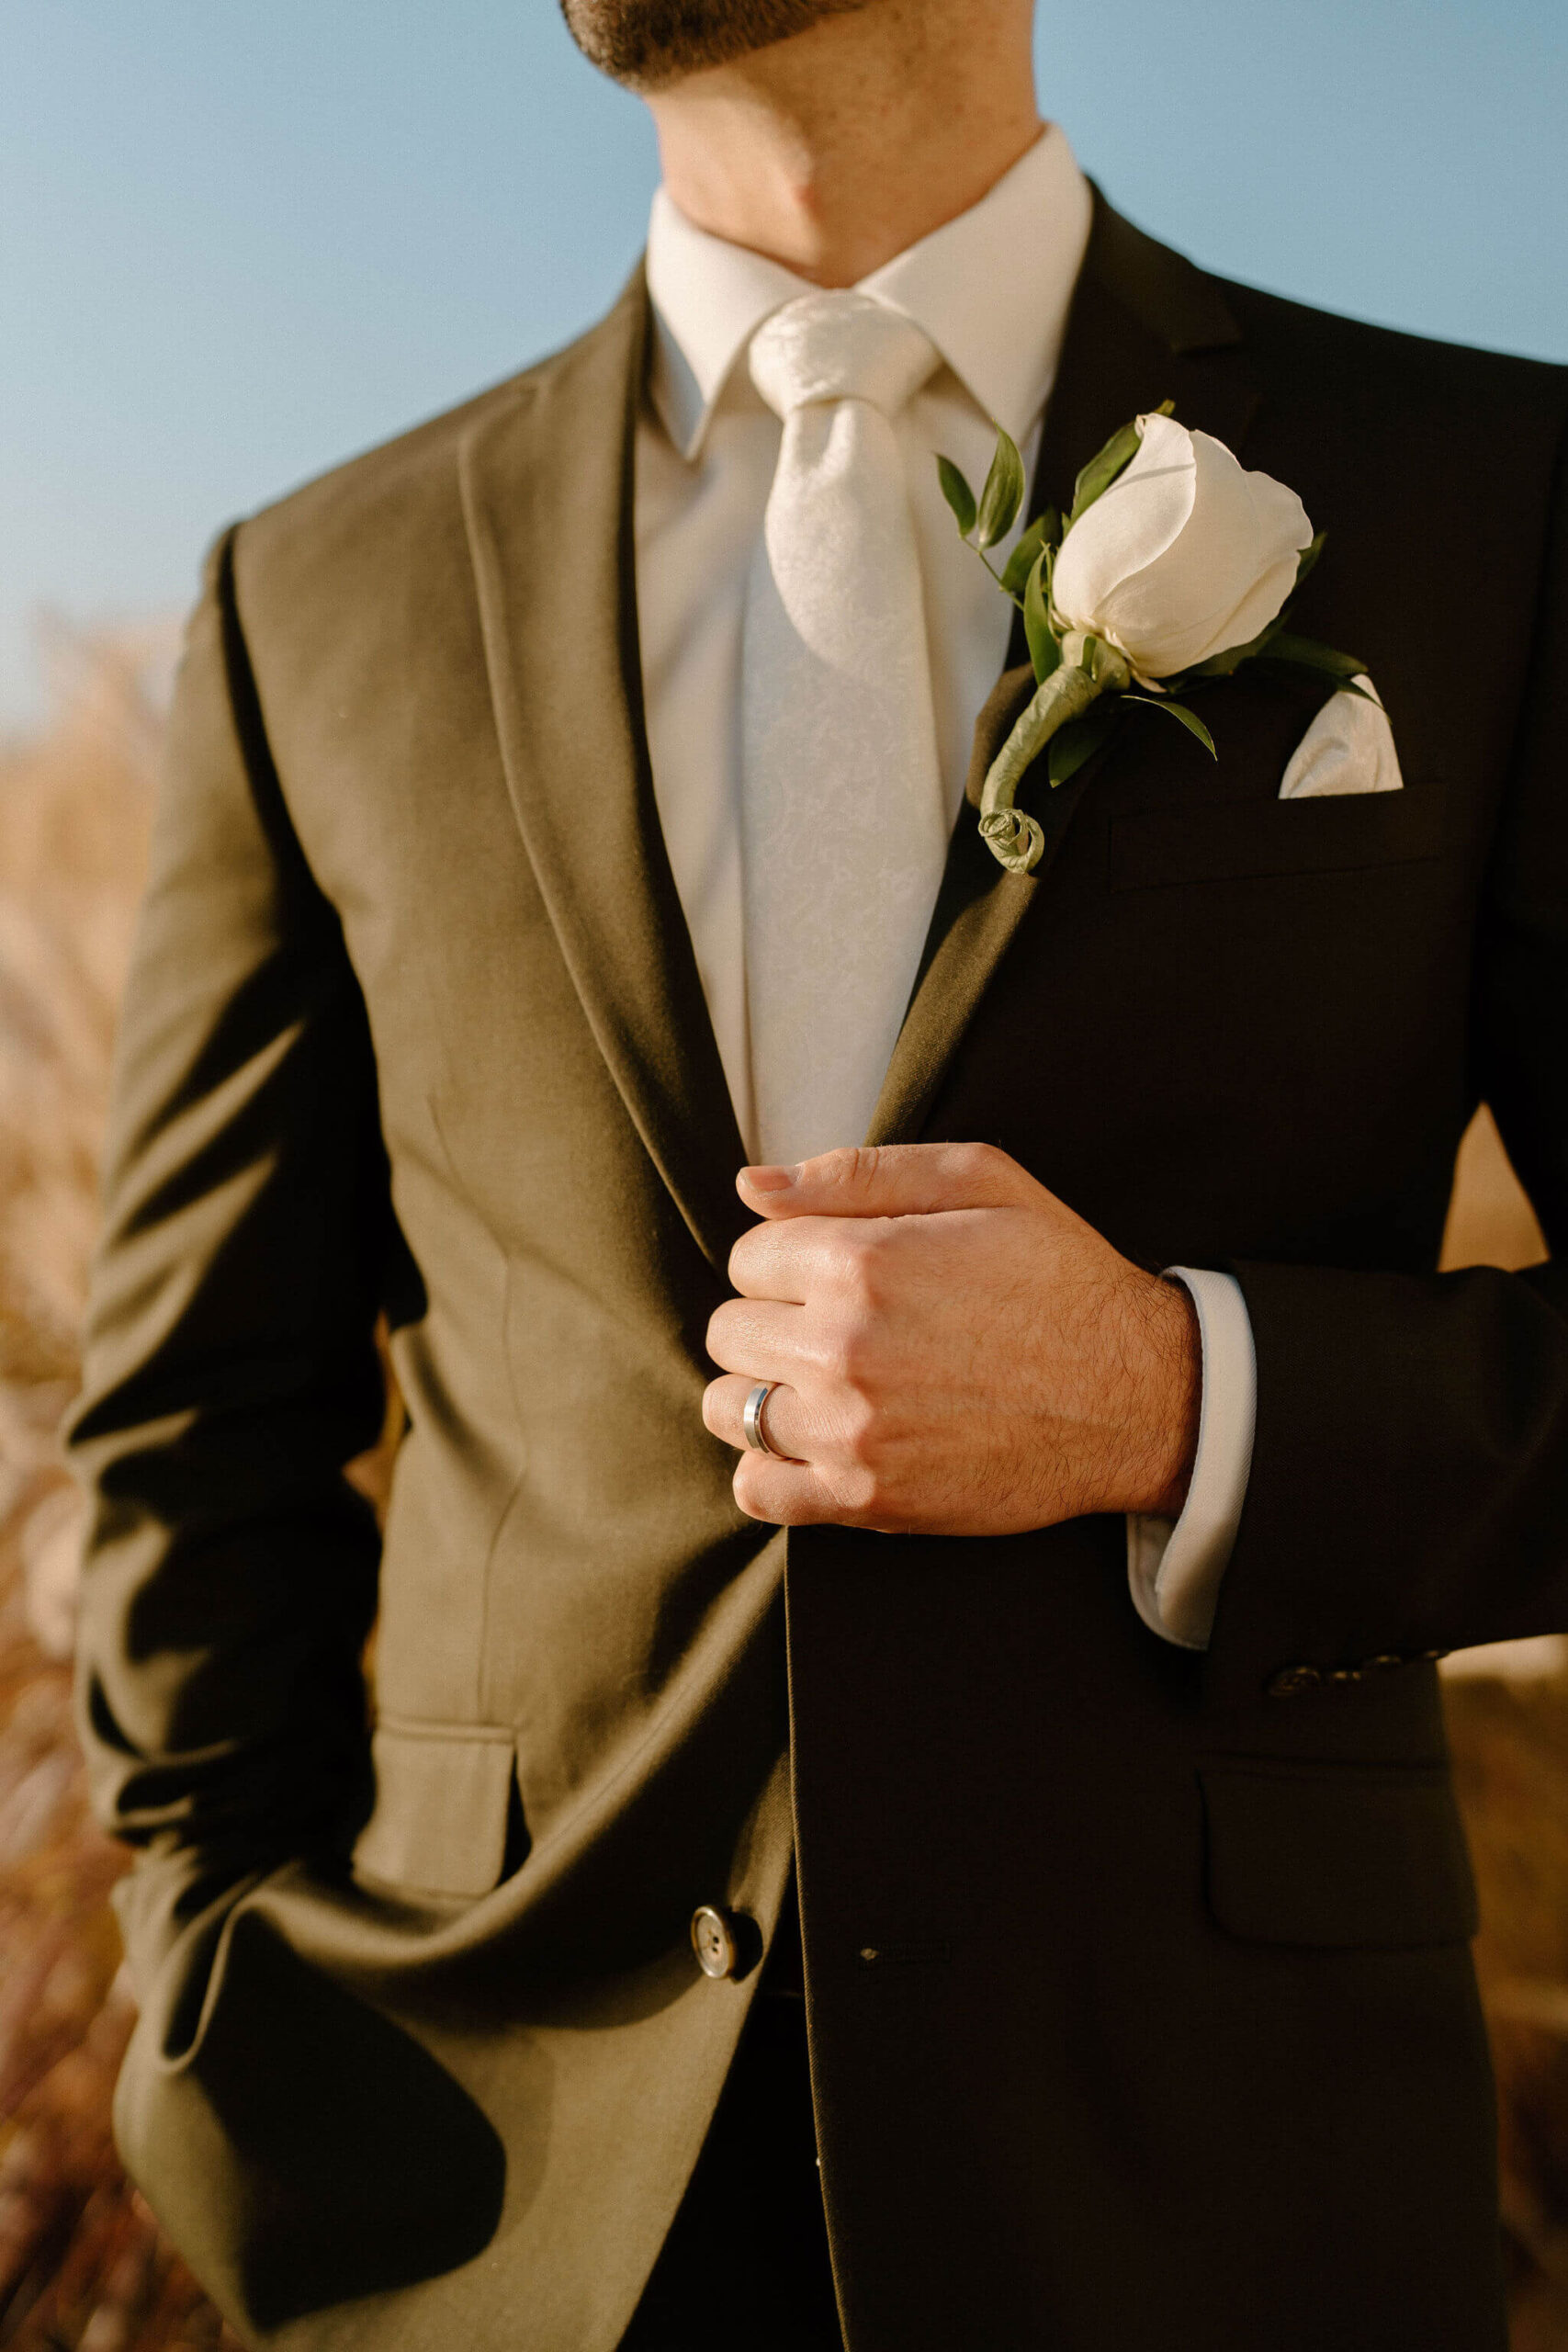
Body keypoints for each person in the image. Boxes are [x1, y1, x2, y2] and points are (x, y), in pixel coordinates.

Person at [67, 2, 1567, 2346]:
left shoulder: (1493, 494)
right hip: (471, 2205)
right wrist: (207, 1998)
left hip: (1210, 2180)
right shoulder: (314, 593)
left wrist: (1186, 1398)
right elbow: (190, 1421)